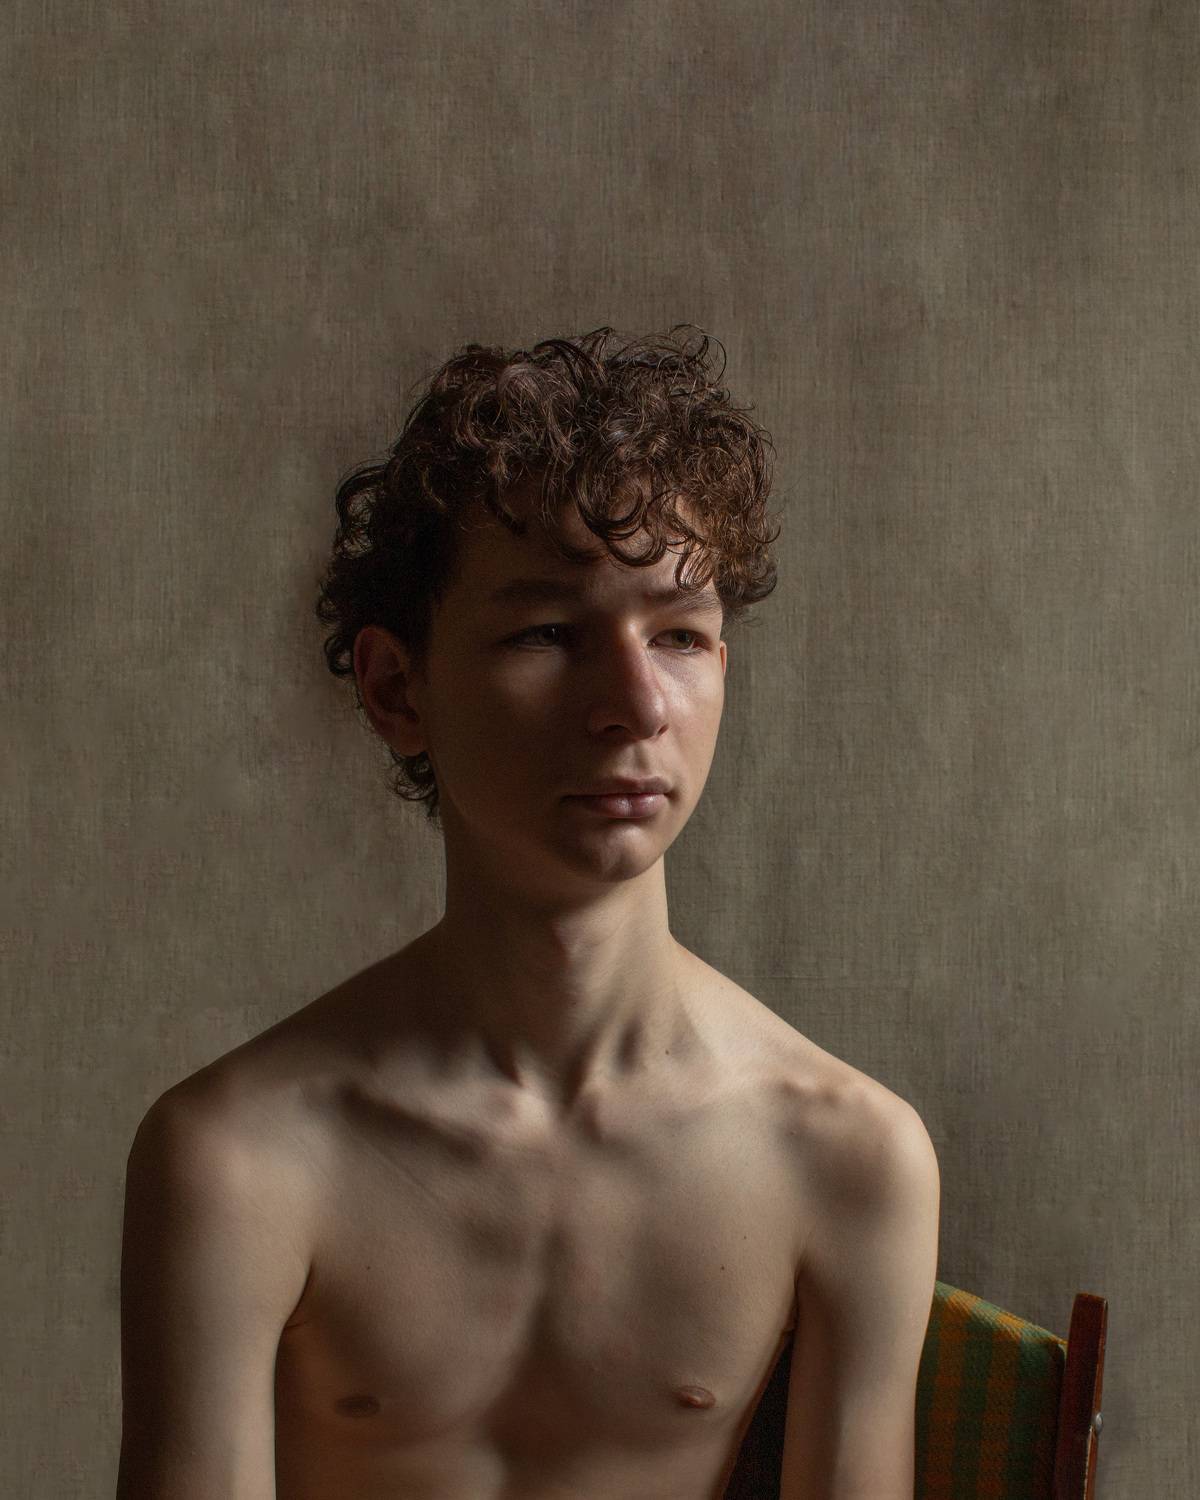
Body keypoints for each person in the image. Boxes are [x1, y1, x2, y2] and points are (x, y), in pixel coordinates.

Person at [116, 326, 940, 1499]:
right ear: (397, 688)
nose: (635, 706)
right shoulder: (239, 1161)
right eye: (550, 633)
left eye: (680, 635)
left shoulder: (849, 1158)